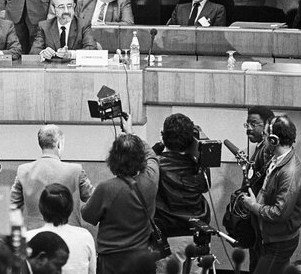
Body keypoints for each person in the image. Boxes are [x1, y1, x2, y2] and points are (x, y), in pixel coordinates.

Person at [81, 133, 159, 274]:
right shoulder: (151, 180)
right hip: (142, 259)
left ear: (113, 158)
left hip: (111, 261)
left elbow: (88, 216)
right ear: (141, 157)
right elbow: (152, 156)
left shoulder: (105, 188)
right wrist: (133, 133)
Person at [241, 115, 301, 274]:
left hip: (279, 242)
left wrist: (254, 206)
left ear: (273, 140)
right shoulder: (276, 159)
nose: (262, 140)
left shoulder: (290, 173)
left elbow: (279, 213)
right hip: (271, 237)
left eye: (264, 136)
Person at [153, 114, 210, 274]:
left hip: (168, 239)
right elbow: (205, 186)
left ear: (163, 136)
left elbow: (142, 162)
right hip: (197, 238)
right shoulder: (198, 166)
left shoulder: (156, 164)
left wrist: (158, 145)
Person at [11, 124, 94, 229]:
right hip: (69, 238)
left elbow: (11, 207)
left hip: (34, 238)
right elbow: (95, 199)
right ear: (59, 144)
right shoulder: (76, 171)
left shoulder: (23, 171)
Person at [25, 184, 96, 274]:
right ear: (70, 208)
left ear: (41, 208)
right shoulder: (85, 236)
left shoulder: (27, 238)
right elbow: (92, 271)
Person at [240, 106, 275, 272]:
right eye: (247, 124)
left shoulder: (267, 149)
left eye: (254, 124)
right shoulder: (261, 147)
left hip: (262, 222)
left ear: (268, 125)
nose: (249, 129)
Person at [30, 0, 96, 61]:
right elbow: (34, 51)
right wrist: (43, 53)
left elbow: (92, 49)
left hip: (75, 69)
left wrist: (71, 54)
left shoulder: (83, 24)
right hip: (52, 68)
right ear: (53, 9)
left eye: (69, 6)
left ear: (74, 6)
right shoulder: (44, 26)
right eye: (61, 7)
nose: (66, 11)